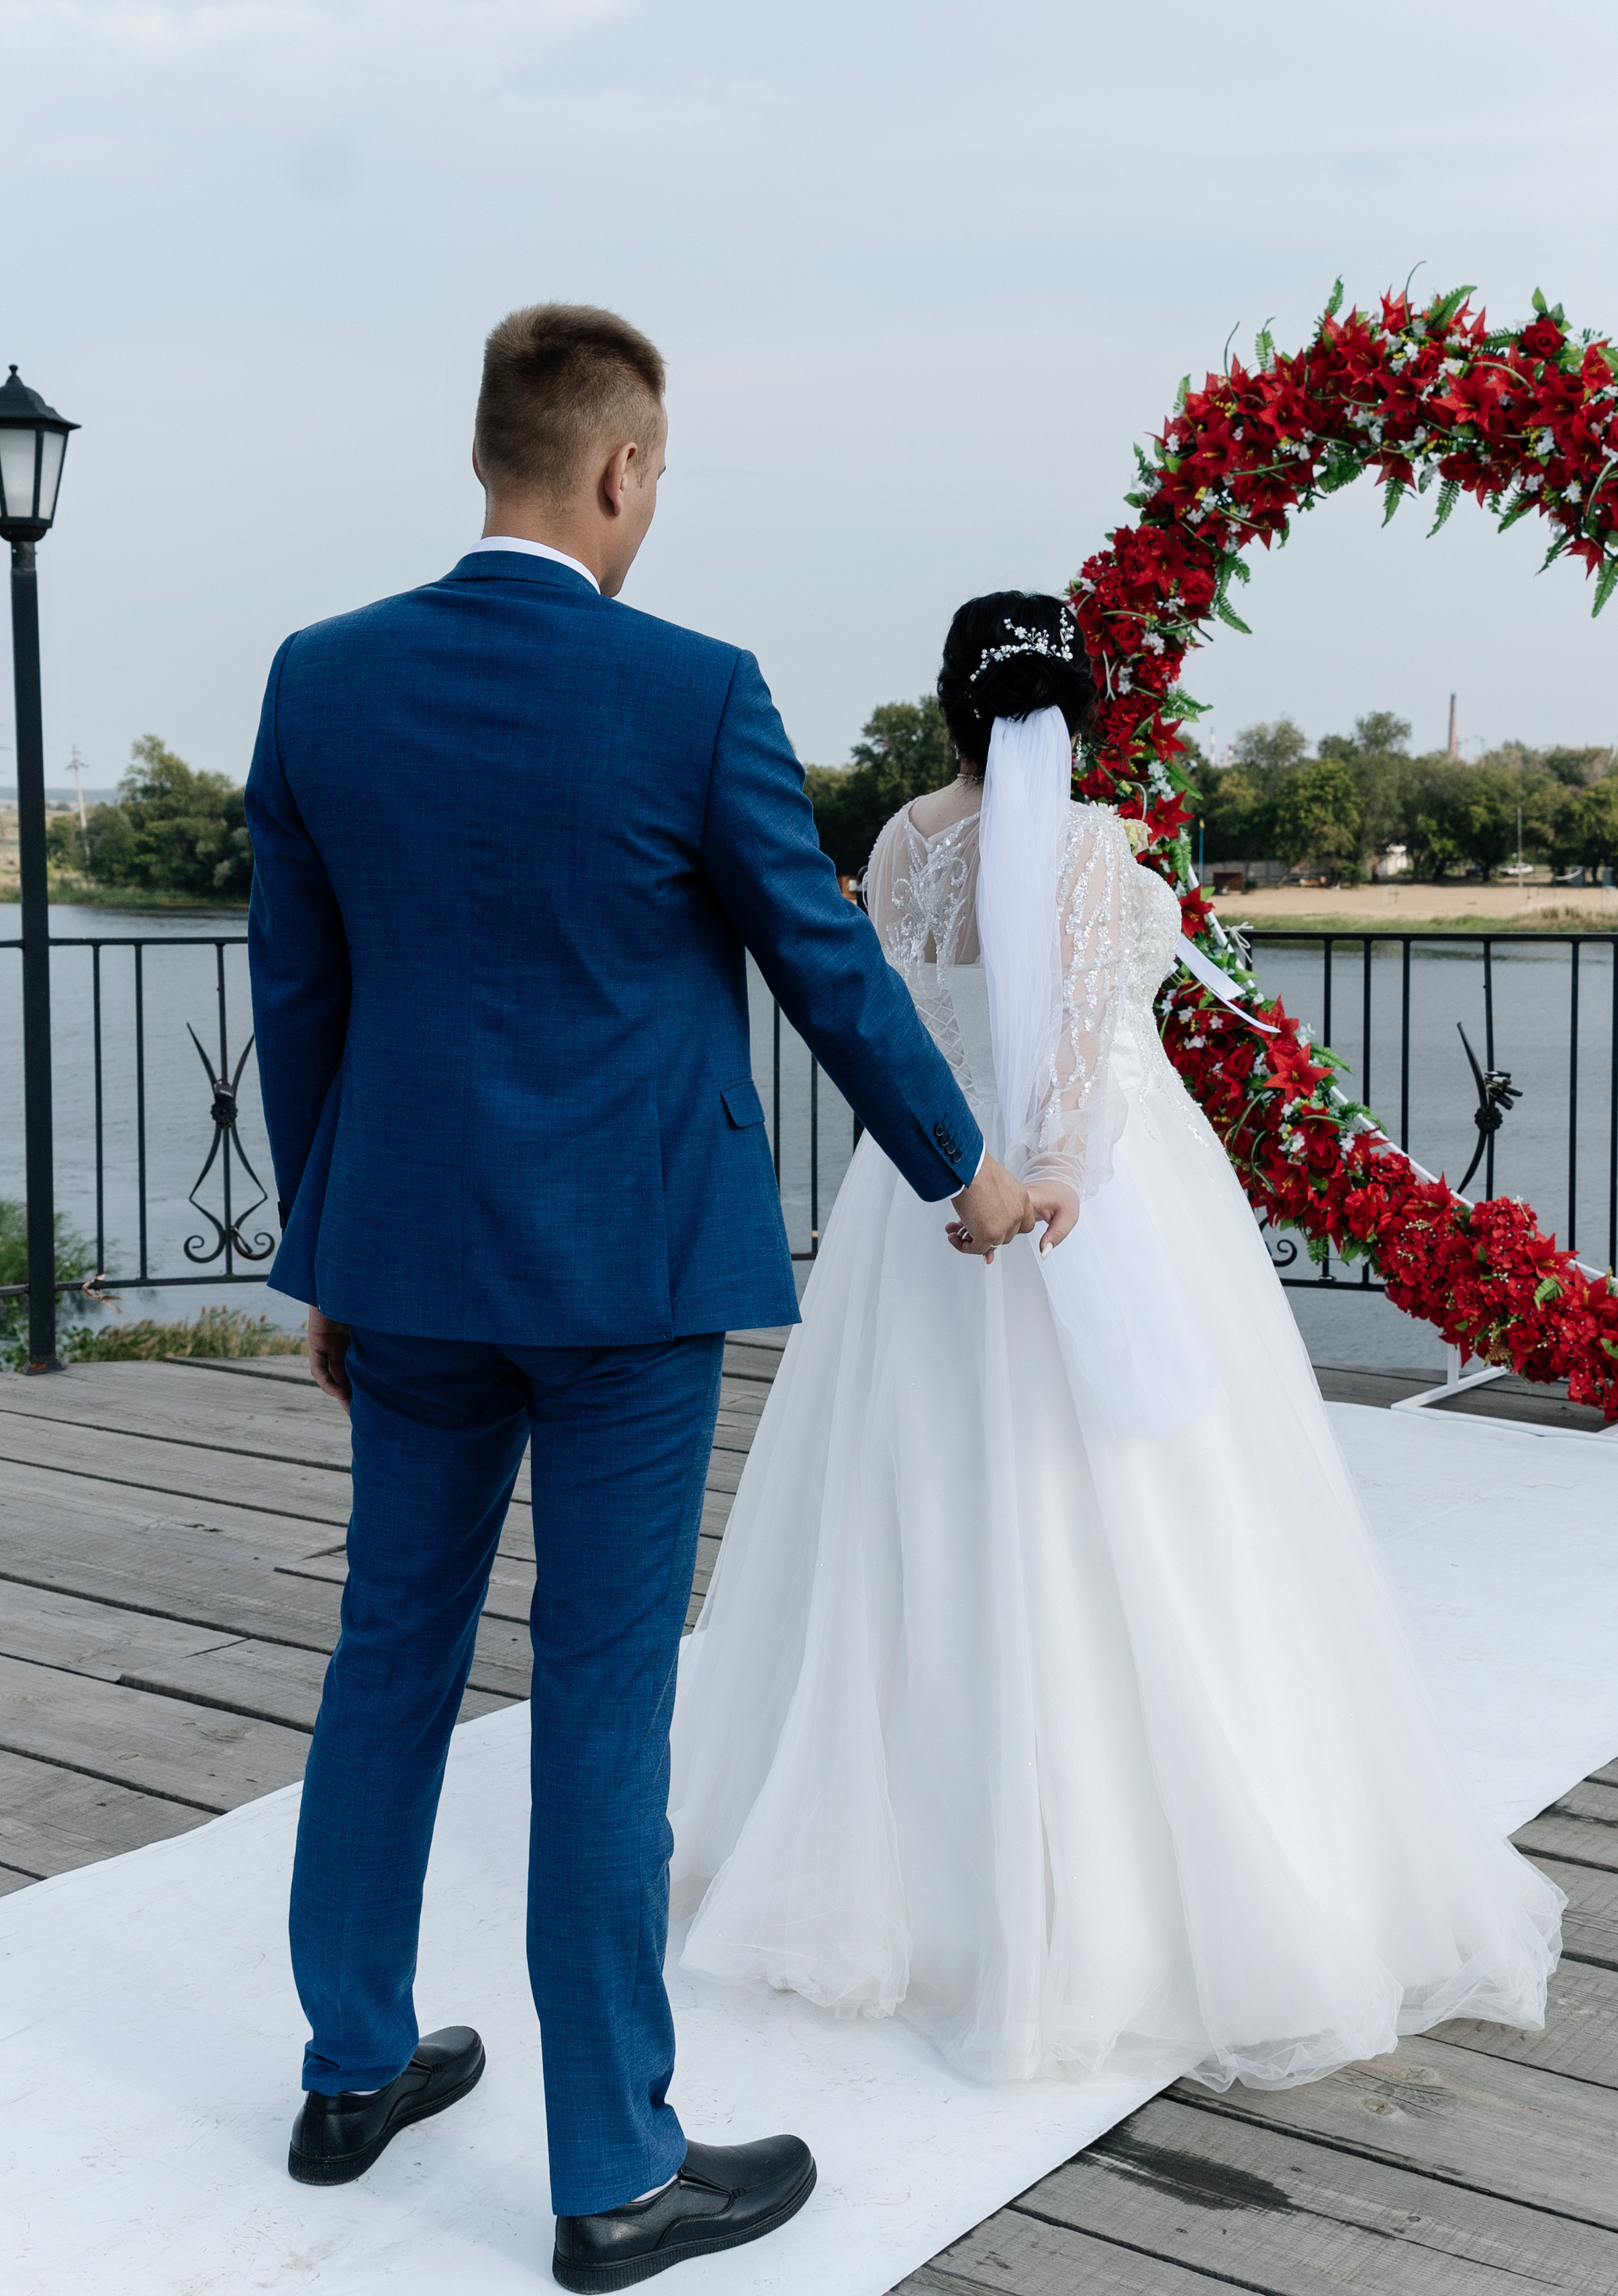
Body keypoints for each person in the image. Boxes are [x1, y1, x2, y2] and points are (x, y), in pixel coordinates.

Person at [243, 304, 1039, 2291]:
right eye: (657, 471)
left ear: (485, 454)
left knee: (388, 1651)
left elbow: (301, 993)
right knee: (600, 1696)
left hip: (406, 1266)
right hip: (626, 1277)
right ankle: (613, 2172)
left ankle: (351, 2069)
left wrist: (331, 1252)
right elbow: (824, 964)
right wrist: (963, 1169)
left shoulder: (320, 679)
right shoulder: (692, 692)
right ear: (619, 467)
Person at [669, 591, 1564, 2095]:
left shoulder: (898, 840)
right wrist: (1061, 1177)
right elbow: (1076, 1051)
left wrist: (972, 1171)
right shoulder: (1090, 845)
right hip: (1084, 1198)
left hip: (922, 1196)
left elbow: (891, 1016)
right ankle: (1138, 1881)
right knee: (1145, 1506)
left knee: (908, 1495)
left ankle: (885, 1855)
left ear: (949, 708)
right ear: (1078, 711)